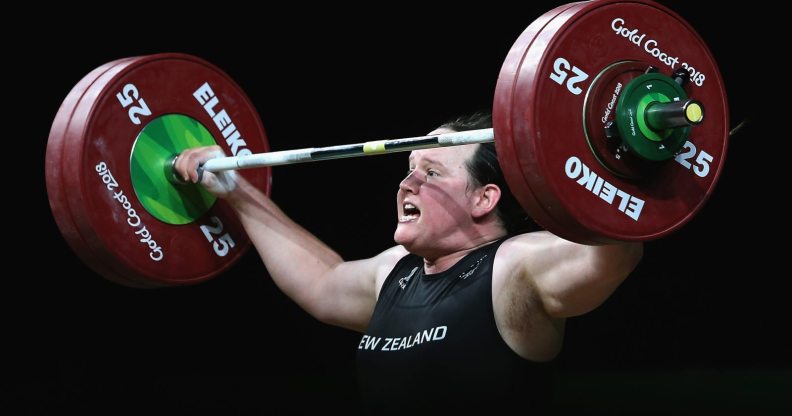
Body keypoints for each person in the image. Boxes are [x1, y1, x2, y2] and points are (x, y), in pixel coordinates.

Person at [174, 112, 643, 413]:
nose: (407, 184)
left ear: (484, 198)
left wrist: (628, 155)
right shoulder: (394, 272)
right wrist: (234, 189)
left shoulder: (515, 265)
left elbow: (614, 253)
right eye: (408, 168)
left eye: (431, 172)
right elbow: (321, 281)